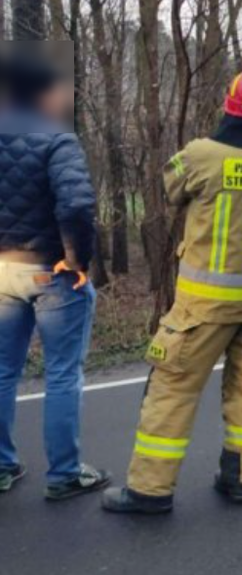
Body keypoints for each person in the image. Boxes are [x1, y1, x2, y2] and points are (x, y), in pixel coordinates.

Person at [102, 67, 242, 514]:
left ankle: (149, 491)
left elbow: (167, 187)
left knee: (172, 390)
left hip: (205, 308)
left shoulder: (201, 155)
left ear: (229, 107)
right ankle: (240, 480)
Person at [0, 45, 112, 500]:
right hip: (52, 272)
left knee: (3, 372)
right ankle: (64, 473)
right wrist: (78, 260)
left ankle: (2, 466)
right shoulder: (57, 138)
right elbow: (78, 203)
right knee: (63, 372)